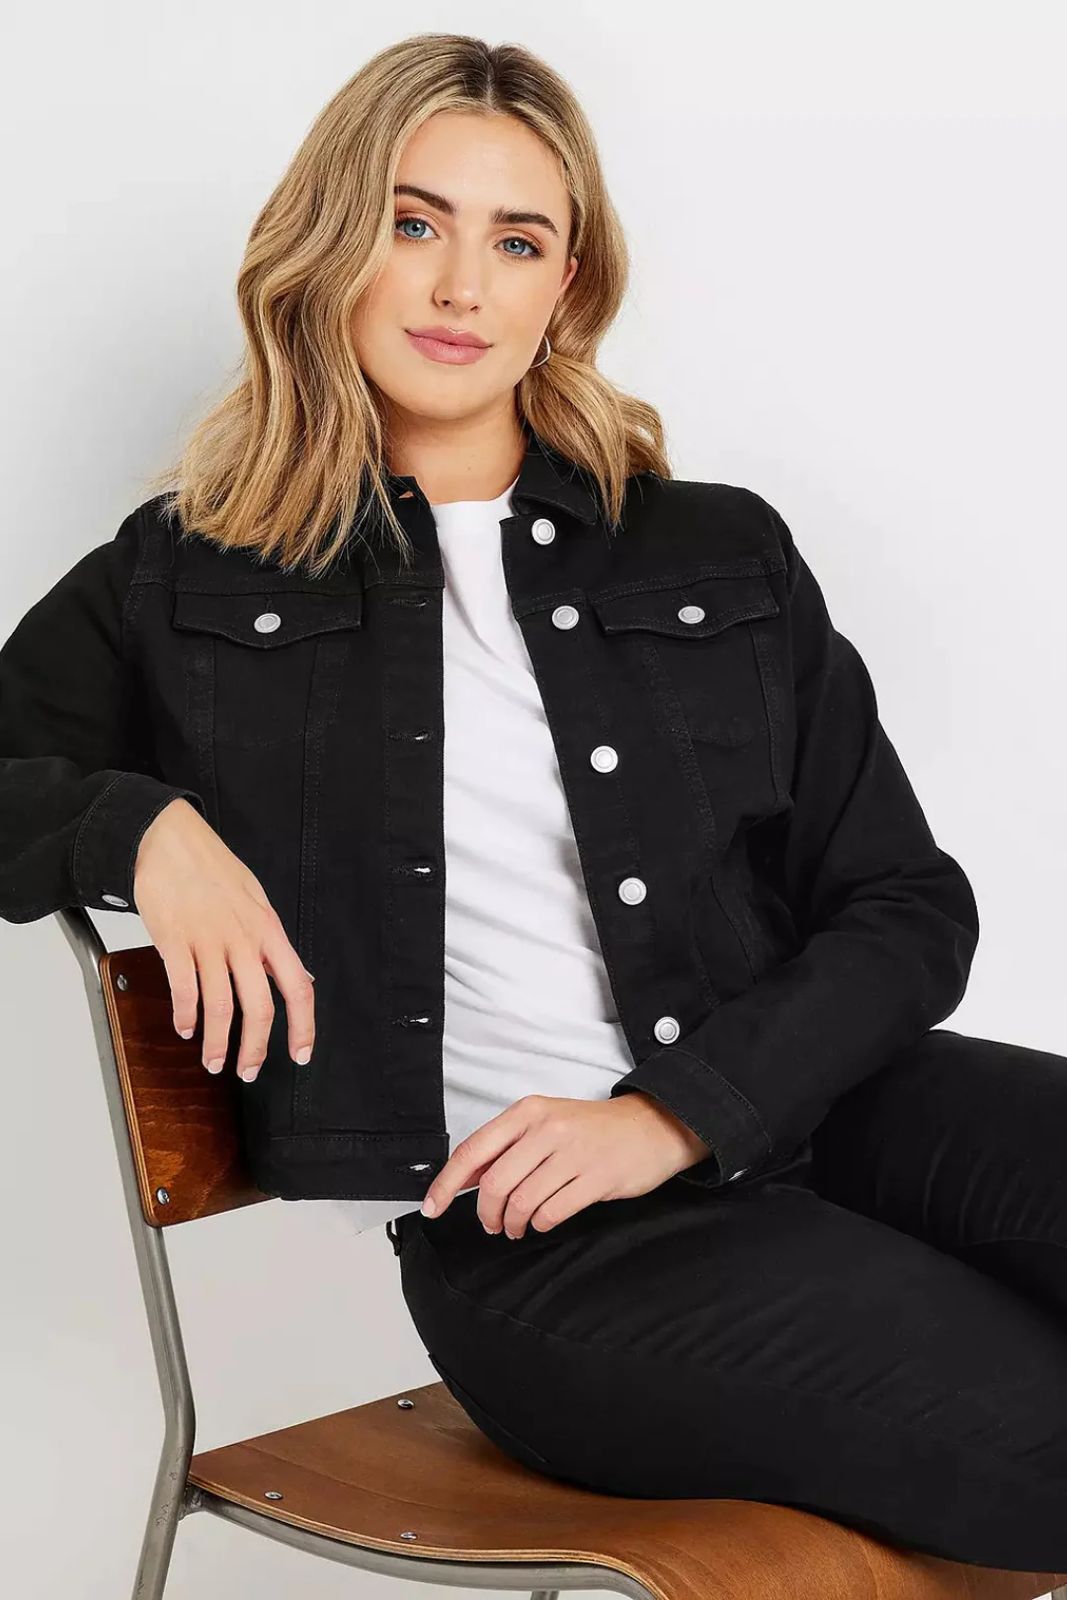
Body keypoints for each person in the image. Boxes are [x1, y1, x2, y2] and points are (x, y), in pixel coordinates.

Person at [3, 30, 1067, 1576]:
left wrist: (676, 1114)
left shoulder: (716, 551)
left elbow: (907, 905)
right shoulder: (183, 581)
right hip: (550, 1250)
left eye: (516, 241)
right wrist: (141, 832)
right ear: (331, 242)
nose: (460, 286)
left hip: (830, 1108)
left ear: (566, 285)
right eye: (413, 223)